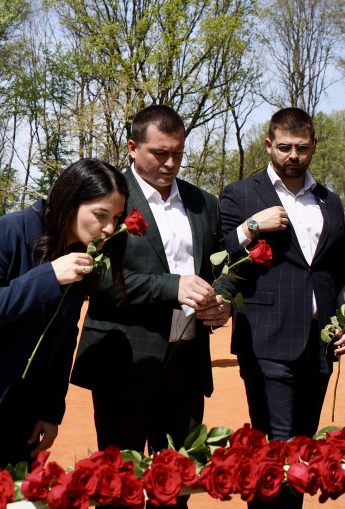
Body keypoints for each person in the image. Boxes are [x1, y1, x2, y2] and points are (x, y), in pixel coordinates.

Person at [0, 158, 129, 468]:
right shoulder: (8, 229)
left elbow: (64, 337)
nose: (110, 228)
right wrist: (48, 276)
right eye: (101, 215)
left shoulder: (85, 252)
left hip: (24, 411)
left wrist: (50, 411)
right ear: (69, 202)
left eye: (116, 217)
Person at [71, 105, 229, 461]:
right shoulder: (107, 200)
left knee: (178, 484)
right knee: (119, 484)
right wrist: (173, 287)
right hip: (125, 362)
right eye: (160, 153)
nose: (170, 163)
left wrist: (225, 300)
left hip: (188, 366)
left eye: (178, 153)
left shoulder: (204, 203)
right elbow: (97, 279)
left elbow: (222, 266)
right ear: (132, 147)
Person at [218, 107, 345, 509]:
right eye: (284, 147)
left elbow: (343, 272)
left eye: (301, 147)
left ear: (313, 147)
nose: (293, 155)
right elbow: (218, 257)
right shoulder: (241, 194)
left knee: (302, 450)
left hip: (319, 345)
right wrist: (252, 227)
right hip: (266, 339)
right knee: (276, 454)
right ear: (269, 145)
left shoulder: (330, 201)